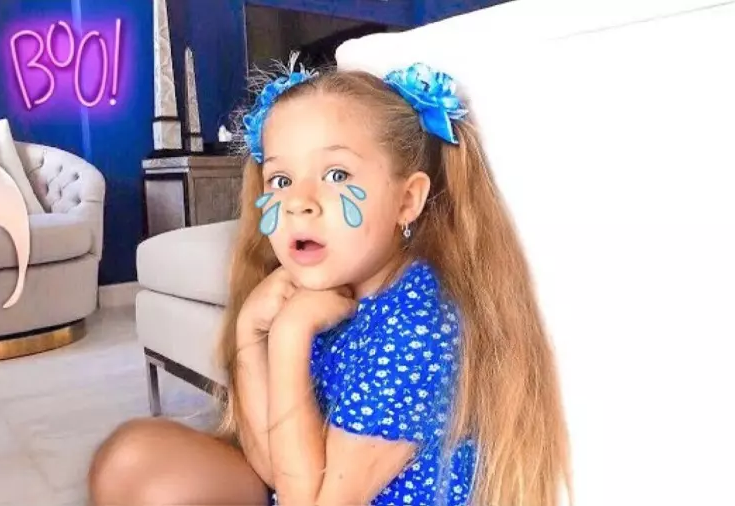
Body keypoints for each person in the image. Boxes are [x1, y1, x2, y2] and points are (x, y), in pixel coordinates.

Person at [89, 57, 571, 506]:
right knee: (130, 459)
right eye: (281, 181)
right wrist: (250, 336)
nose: (299, 202)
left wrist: (288, 337)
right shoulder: (330, 292)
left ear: (407, 201)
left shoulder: (418, 327)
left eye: (337, 174)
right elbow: (274, 466)